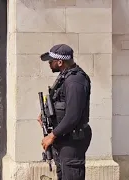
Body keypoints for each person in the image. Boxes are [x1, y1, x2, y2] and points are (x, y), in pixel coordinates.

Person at [38, 44, 92, 180]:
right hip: (64, 139)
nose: (49, 64)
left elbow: (73, 116)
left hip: (72, 141)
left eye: (51, 61)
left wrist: (51, 136)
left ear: (60, 62)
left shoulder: (75, 81)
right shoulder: (65, 77)